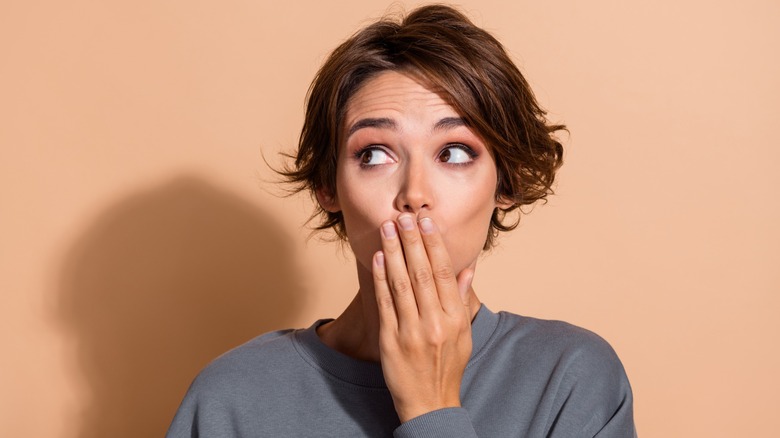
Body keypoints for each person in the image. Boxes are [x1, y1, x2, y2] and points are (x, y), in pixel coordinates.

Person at [167, 5, 636, 437]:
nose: (414, 195)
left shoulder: (570, 379)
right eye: (374, 154)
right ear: (328, 186)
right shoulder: (232, 397)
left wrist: (431, 408)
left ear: (505, 184)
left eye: (454, 153)